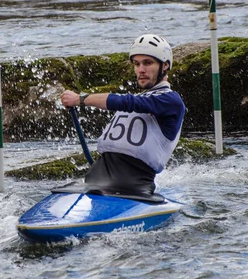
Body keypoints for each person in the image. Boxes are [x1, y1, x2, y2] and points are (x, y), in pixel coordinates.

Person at [60, 33, 185, 200]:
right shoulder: (136, 100)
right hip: (93, 184)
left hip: (134, 191)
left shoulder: (170, 101)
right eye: (136, 64)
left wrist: (80, 99)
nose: (141, 70)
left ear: (165, 66)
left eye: (148, 63)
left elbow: (126, 102)